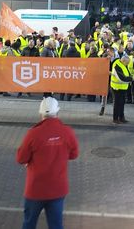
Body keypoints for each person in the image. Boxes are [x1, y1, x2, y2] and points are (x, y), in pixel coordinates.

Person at [16, 97, 79, 229]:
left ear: (41, 113)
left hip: (35, 189)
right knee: (56, 225)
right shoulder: (67, 132)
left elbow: (21, 158)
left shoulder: (33, 133)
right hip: (57, 188)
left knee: (29, 223)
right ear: (58, 112)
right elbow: (74, 154)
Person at [110, 55, 133, 124]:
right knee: (117, 104)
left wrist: (129, 77)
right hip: (117, 88)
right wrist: (130, 79)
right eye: (127, 63)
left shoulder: (122, 64)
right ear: (123, 61)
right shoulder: (117, 66)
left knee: (122, 103)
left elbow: (126, 74)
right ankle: (115, 118)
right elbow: (121, 78)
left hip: (122, 88)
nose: (127, 64)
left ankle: (121, 117)